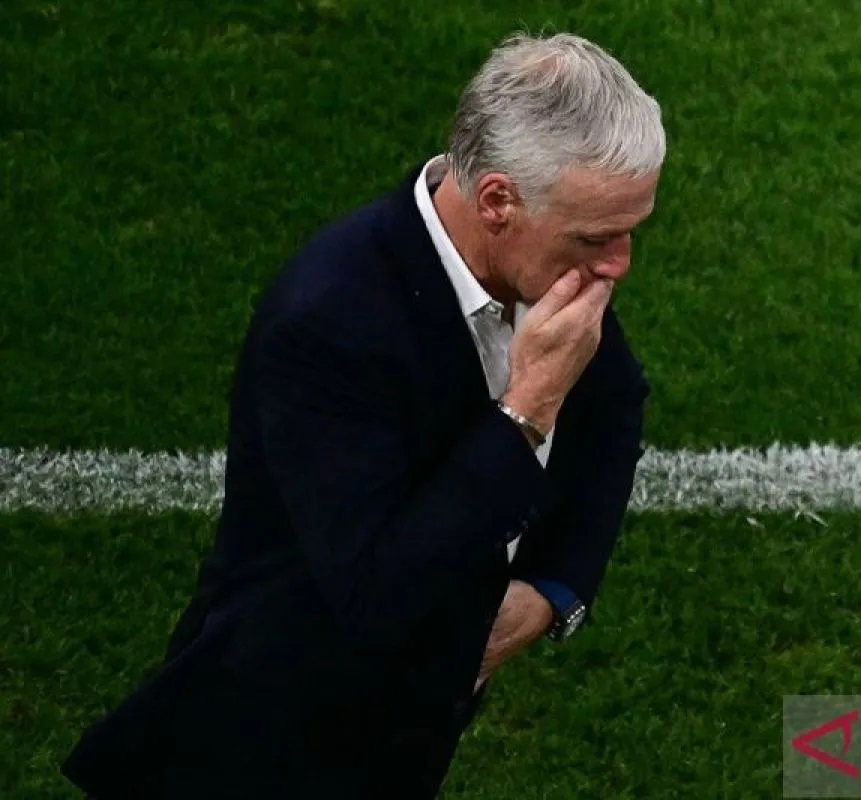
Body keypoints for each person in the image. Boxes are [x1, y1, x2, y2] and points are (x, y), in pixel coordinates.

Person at [60, 30, 665, 799]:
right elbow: (378, 600)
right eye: (597, 236)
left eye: (628, 232)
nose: (618, 264)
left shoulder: (544, 267)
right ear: (498, 201)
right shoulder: (329, 322)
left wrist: (555, 592)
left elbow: (615, 405)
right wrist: (526, 410)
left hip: (410, 731)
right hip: (269, 744)